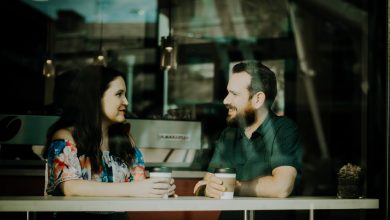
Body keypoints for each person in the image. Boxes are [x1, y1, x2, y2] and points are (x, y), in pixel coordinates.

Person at [43, 65, 175, 220]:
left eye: (125, 95)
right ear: (95, 97)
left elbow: (138, 183)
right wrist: (134, 189)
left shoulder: (124, 140)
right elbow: (71, 187)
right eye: (119, 94)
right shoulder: (66, 137)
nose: (126, 101)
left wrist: (158, 188)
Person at [193, 60, 303, 219]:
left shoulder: (284, 129)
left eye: (234, 94)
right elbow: (205, 183)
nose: (225, 100)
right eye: (227, 92)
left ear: (258, 99)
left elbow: (281, 188)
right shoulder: (228, 135)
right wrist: (206, 190)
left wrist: (234, 187)